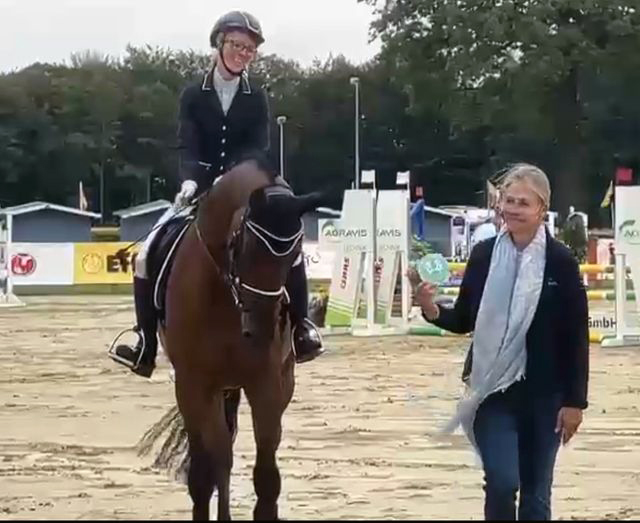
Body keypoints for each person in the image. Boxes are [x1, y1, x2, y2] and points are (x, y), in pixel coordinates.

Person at [110, 10, 324, 378]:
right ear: (219, 43)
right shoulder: (194, 94)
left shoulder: (256, 96)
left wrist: (238, 178)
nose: (243, 53)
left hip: (245, 187)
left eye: (250, 50)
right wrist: (191, 180)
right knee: (147, 254)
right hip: (200, 189)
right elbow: (188, 144)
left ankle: (303, 327)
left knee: (289, 242)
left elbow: (258, 147)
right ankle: (145, 340)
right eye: (238, 45)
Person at [409, 163, 589, 520]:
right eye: (508, 200)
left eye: (523, 203)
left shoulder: (561, 262)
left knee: (537, 494)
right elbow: (463, 319)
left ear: (542, 208)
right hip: (492, 394)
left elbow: (575, 336)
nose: (513, 209)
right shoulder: (484, 255)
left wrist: (574, 402)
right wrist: (430, 307)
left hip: (546, 397)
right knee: (503, 482)